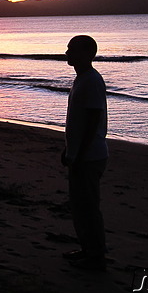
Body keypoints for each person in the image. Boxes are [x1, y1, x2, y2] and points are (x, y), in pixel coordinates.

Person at [61, 35, 108, 271]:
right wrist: (69, 149)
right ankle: (88, 249)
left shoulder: (91, 80)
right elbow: (77, 122)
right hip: (80, 154)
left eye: (72, 49)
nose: (67, 52)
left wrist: (79, 154)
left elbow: (92, 120)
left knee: (88, 207)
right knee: (80, 206)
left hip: (90, 156)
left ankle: (96, 255)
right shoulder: (81, 79)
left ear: (87, 54)